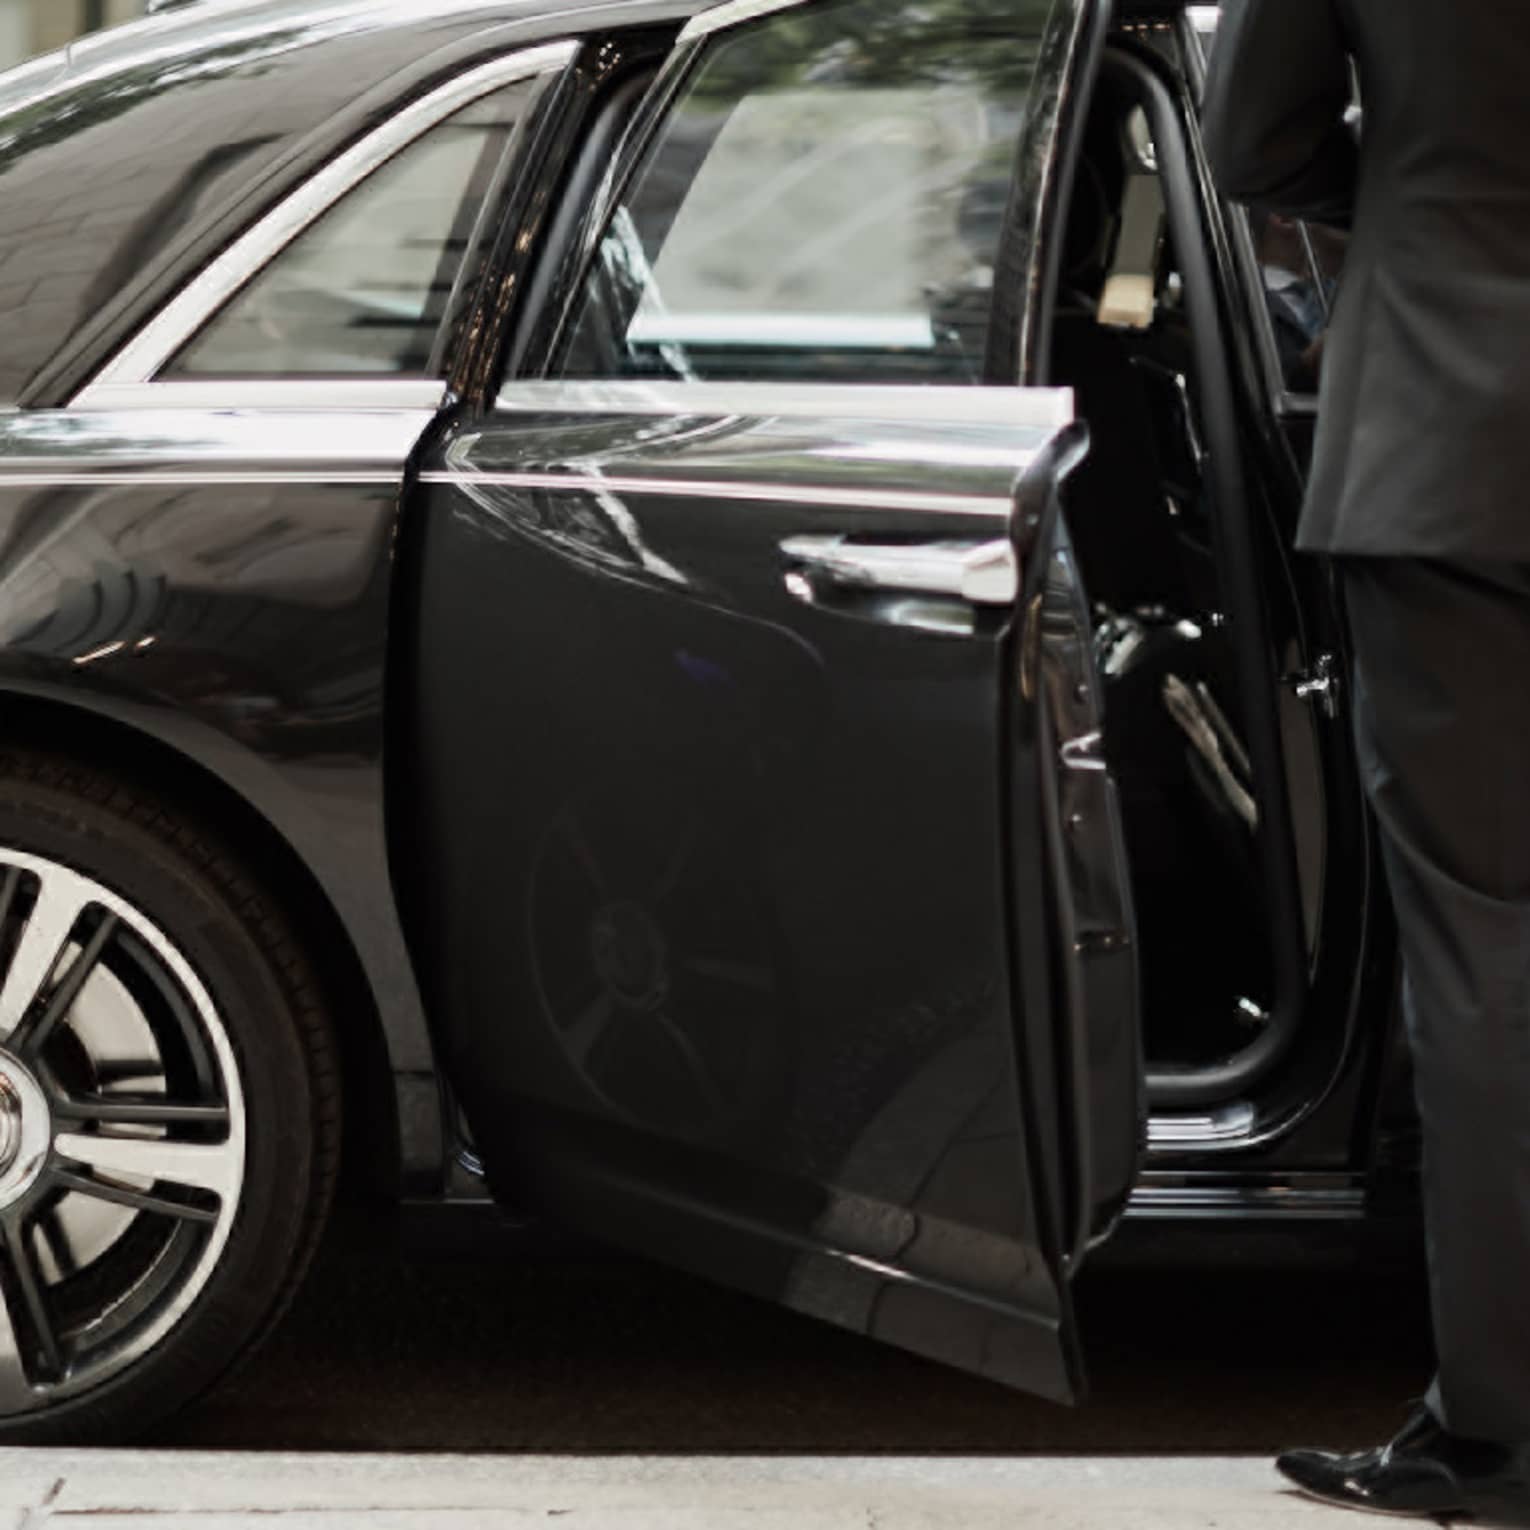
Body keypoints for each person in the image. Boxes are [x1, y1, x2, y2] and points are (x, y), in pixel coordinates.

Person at [1203, 0, 1530, 1522]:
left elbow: (1252, 142)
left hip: (1444, 457)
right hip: (1438, 475)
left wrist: (1414, 183)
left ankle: (1498, 1437)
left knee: (1484, 953)